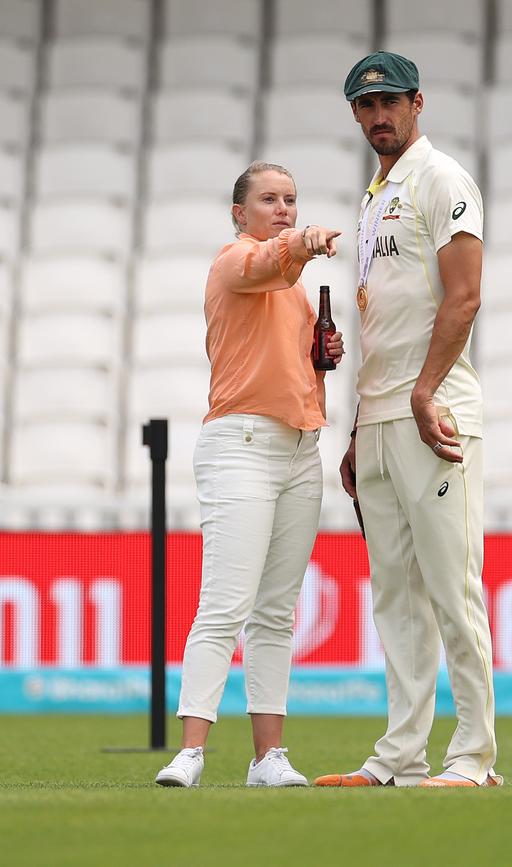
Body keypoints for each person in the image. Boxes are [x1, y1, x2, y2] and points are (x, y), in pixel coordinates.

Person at [314, 52, 502, 789]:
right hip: (384, 418)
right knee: (394, 593)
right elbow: (378, 322)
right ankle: (398, 756)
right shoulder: (374, 196)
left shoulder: (441, 179)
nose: (377, 116)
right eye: (365, 106)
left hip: (437, 411)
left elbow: (464, 297)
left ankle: (473, 757)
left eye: (389, 101)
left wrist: (424, 394)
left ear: (417, 102)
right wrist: (361, 425)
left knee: (452, 587)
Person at [155, 160, 344, 788]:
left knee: (276, 611)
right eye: (269, 199)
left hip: (297, 447)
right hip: (241, 442)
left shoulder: (292, 286)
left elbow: (289, 367)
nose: (282, 208)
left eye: (290, 199)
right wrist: (304, 238)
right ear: (241, 214)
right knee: (225, 603)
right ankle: (190, 751)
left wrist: (322, 359)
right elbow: (267, 263)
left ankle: (268, 757)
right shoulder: (233, 261)